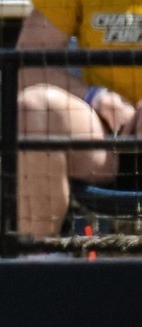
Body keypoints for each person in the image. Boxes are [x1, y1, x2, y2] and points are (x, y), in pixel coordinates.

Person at [16, 3, 142, 237]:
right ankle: (39, 260)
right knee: (35, 108)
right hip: (108, 138)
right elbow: (26, 65)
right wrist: (96, 96)